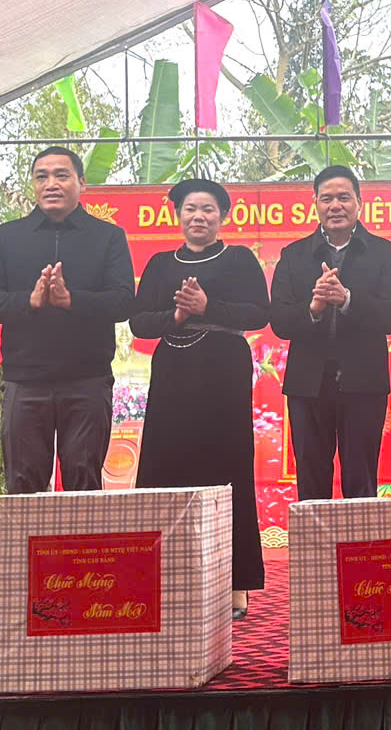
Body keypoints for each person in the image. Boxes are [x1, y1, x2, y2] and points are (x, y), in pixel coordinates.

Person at [130, 178, 268, 622]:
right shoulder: (160, 264)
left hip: (224, 367)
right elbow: (138, 322)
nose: (198, 217)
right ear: (178, 215)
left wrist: (208, 307)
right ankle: (159, 578)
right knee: (164, 467)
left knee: (228, 467)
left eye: (208, 209)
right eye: (190, 208)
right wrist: (176, 314)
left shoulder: (240, 259)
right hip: (174, 366)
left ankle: (236, 584)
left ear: (222, 216)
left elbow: (259, 313)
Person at [0, 146, 135, 494]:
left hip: (88, 382)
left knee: (84, 483)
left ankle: (84, 536)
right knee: (23, 486)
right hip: (25, 382)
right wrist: (28, 301)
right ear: (34, 185)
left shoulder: (108, 237)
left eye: (62, 175)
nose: (51, 184)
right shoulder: (6, 237)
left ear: (82, 183)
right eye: (41, 177)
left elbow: (123, 302)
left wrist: (72, 300)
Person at [270, 166, 391, 501]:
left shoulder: (384, 252)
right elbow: (279, 320)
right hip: (307, 383)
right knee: (311, 477)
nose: (335, 206)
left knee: (361, 478)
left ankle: (360, 538)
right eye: (327, 198)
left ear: (359, 203)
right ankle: (313, 538)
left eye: (344, 198)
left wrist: (347, 300)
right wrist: (313, 308)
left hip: (363, 382)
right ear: (315, 204)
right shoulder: (294, 255)